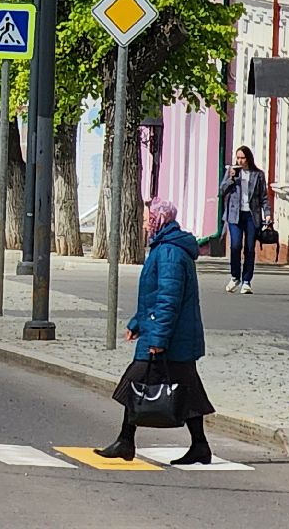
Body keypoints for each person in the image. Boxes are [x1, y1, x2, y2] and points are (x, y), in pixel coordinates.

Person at [95, 197, 216, 466]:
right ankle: (197, 445)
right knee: (188, 390)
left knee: (134, 382)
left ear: (162, 220)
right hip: (170, 336)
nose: (147, 223)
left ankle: (127, 440)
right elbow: (155, 296)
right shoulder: (164, 248)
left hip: (170, 338)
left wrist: (158, 339)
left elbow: (168, 299)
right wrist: (137, 323)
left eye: (151, 218)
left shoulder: (170, 252)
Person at [219, 146, 270, 294]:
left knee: (249, 248)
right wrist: (231, 179)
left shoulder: (258, 174)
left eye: (242, 158)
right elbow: (222, 191)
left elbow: (264, 197)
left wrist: (267, 213)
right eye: (238, 158)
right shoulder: (232, 172)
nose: (240, 161)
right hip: (235, 215)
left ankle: (246, 281)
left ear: (248, 158)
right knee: (235, 246)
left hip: (251, 216)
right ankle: (235, 276)